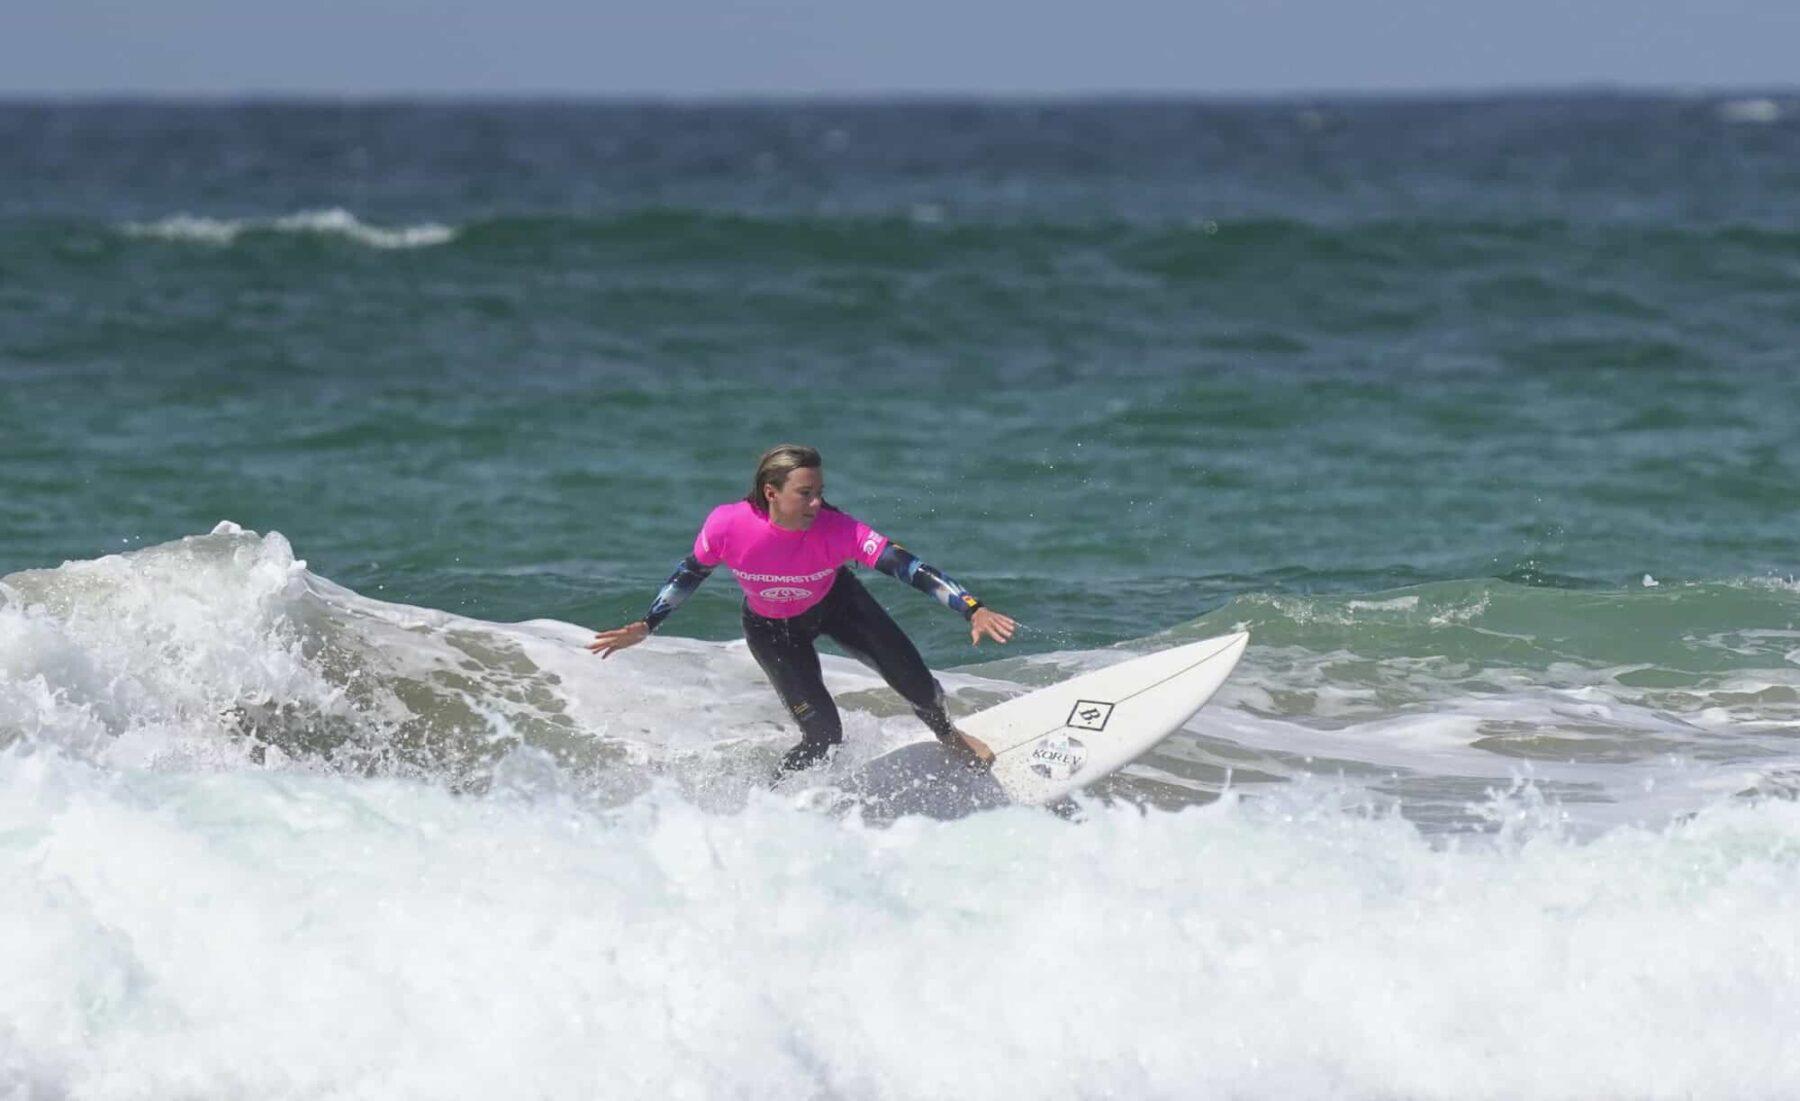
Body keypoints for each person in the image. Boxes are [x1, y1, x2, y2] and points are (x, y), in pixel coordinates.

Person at [589, 443, 1017, 778]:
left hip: (839, 606)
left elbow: (908, 567)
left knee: (922, 689)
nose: (817, 504)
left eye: (820, 493)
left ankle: (949, 736)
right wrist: (649, 624)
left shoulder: (839, 530)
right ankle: (775, 804)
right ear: (771, 492)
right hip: (772, 630)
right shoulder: (728, 526)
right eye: (805, 494)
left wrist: (971, 609)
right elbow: (690, 573)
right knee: (823, 736)